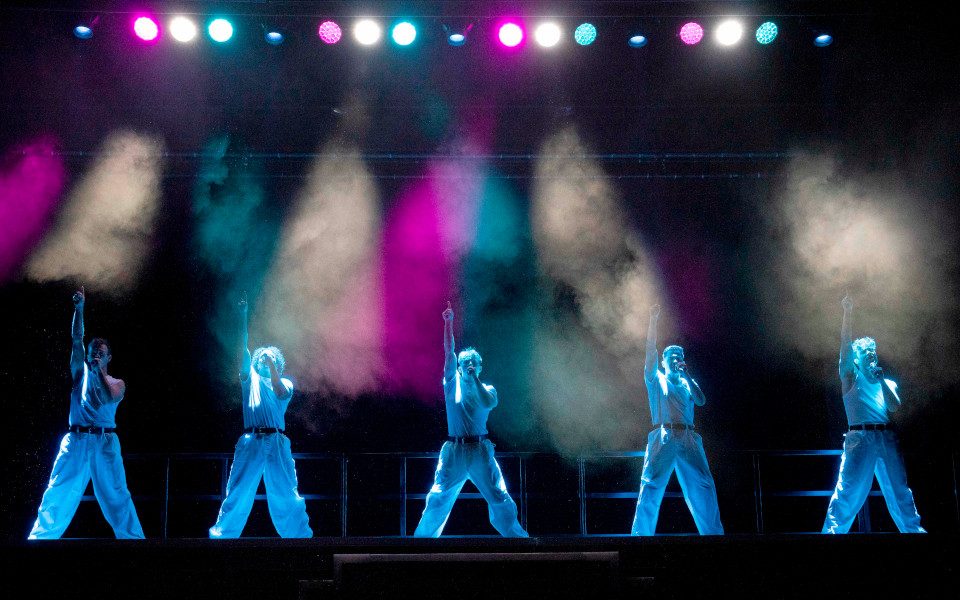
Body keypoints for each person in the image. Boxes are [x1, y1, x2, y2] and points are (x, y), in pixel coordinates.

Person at [29, 287, 144, 539]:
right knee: (58, 490)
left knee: (116, 493)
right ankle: (39, 541)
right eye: (94, 352)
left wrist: (99, 371)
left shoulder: (117, 383)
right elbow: (76, 339)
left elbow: (105, 398)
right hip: (77, 439)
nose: (95, 356)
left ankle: (134, 542)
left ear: (108, 358)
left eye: (101, 354)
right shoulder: (79, 374)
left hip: (104, 442)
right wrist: (79, 309)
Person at [413, 302, 528, 537]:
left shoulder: (487, 389)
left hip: (479, 450)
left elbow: (488, 403)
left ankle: (518, 541)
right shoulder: (451, 385)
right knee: (437, 498)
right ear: (459, 367)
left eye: (473, 362)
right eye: (465, 362)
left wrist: (475, 379)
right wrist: (448, 322)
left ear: (479, 366)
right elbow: (448, 351)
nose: (468, 365)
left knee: (499, 497)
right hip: (455, 451)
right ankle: (421, 544)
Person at [209, 293, 312, 538]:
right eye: (263, 357)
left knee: (286, 491)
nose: (267, 359)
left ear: (278, 363)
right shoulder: (250, 380)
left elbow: (278, 390)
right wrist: (244, 316)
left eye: (272, 358)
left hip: (276, 441)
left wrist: (273, 366)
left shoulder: (284, 382)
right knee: (238, 490)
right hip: (251, 440)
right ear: (256, 362)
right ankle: (223, 536)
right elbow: (242, 346)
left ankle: (300, 539)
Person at [821, 296, 925, 533]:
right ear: (857, 358)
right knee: (848, 492)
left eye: (873, 350)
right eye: (866, 351)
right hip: (861, 438)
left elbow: (894, 406)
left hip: (886, 438)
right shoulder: (850, 377)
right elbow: (845, 345)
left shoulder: (885, 381)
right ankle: (831, 535)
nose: (871, 354)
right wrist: (847, 312)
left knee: (900, 492)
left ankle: (915, 533)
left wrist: (881, 382)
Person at [631, 304, 723, 536]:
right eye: (671, 357)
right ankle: (640, 538)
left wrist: (687, 375)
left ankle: (714, 536)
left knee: (703, 485)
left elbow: (701, 401)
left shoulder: (686, 383)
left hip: (688, 436)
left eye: (679, 357)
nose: (675, 360)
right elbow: (650, 352)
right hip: (665, 435)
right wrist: (652, 321)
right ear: (664, 361)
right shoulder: (656, 379)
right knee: (651, 486)